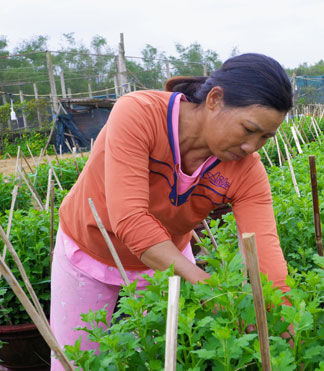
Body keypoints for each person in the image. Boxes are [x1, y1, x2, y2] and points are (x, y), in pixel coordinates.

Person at [50, 53, 293, 370]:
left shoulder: (246, 170)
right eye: (249, 129)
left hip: (167, 265)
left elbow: (266, 254)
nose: (252, 146)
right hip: (89, 251)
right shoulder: (139, 114)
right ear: (215, 100)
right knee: (75, 361)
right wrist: (207, 287)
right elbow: (131, 220)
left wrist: (286, 323)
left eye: (265, 138)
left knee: (167, 360)